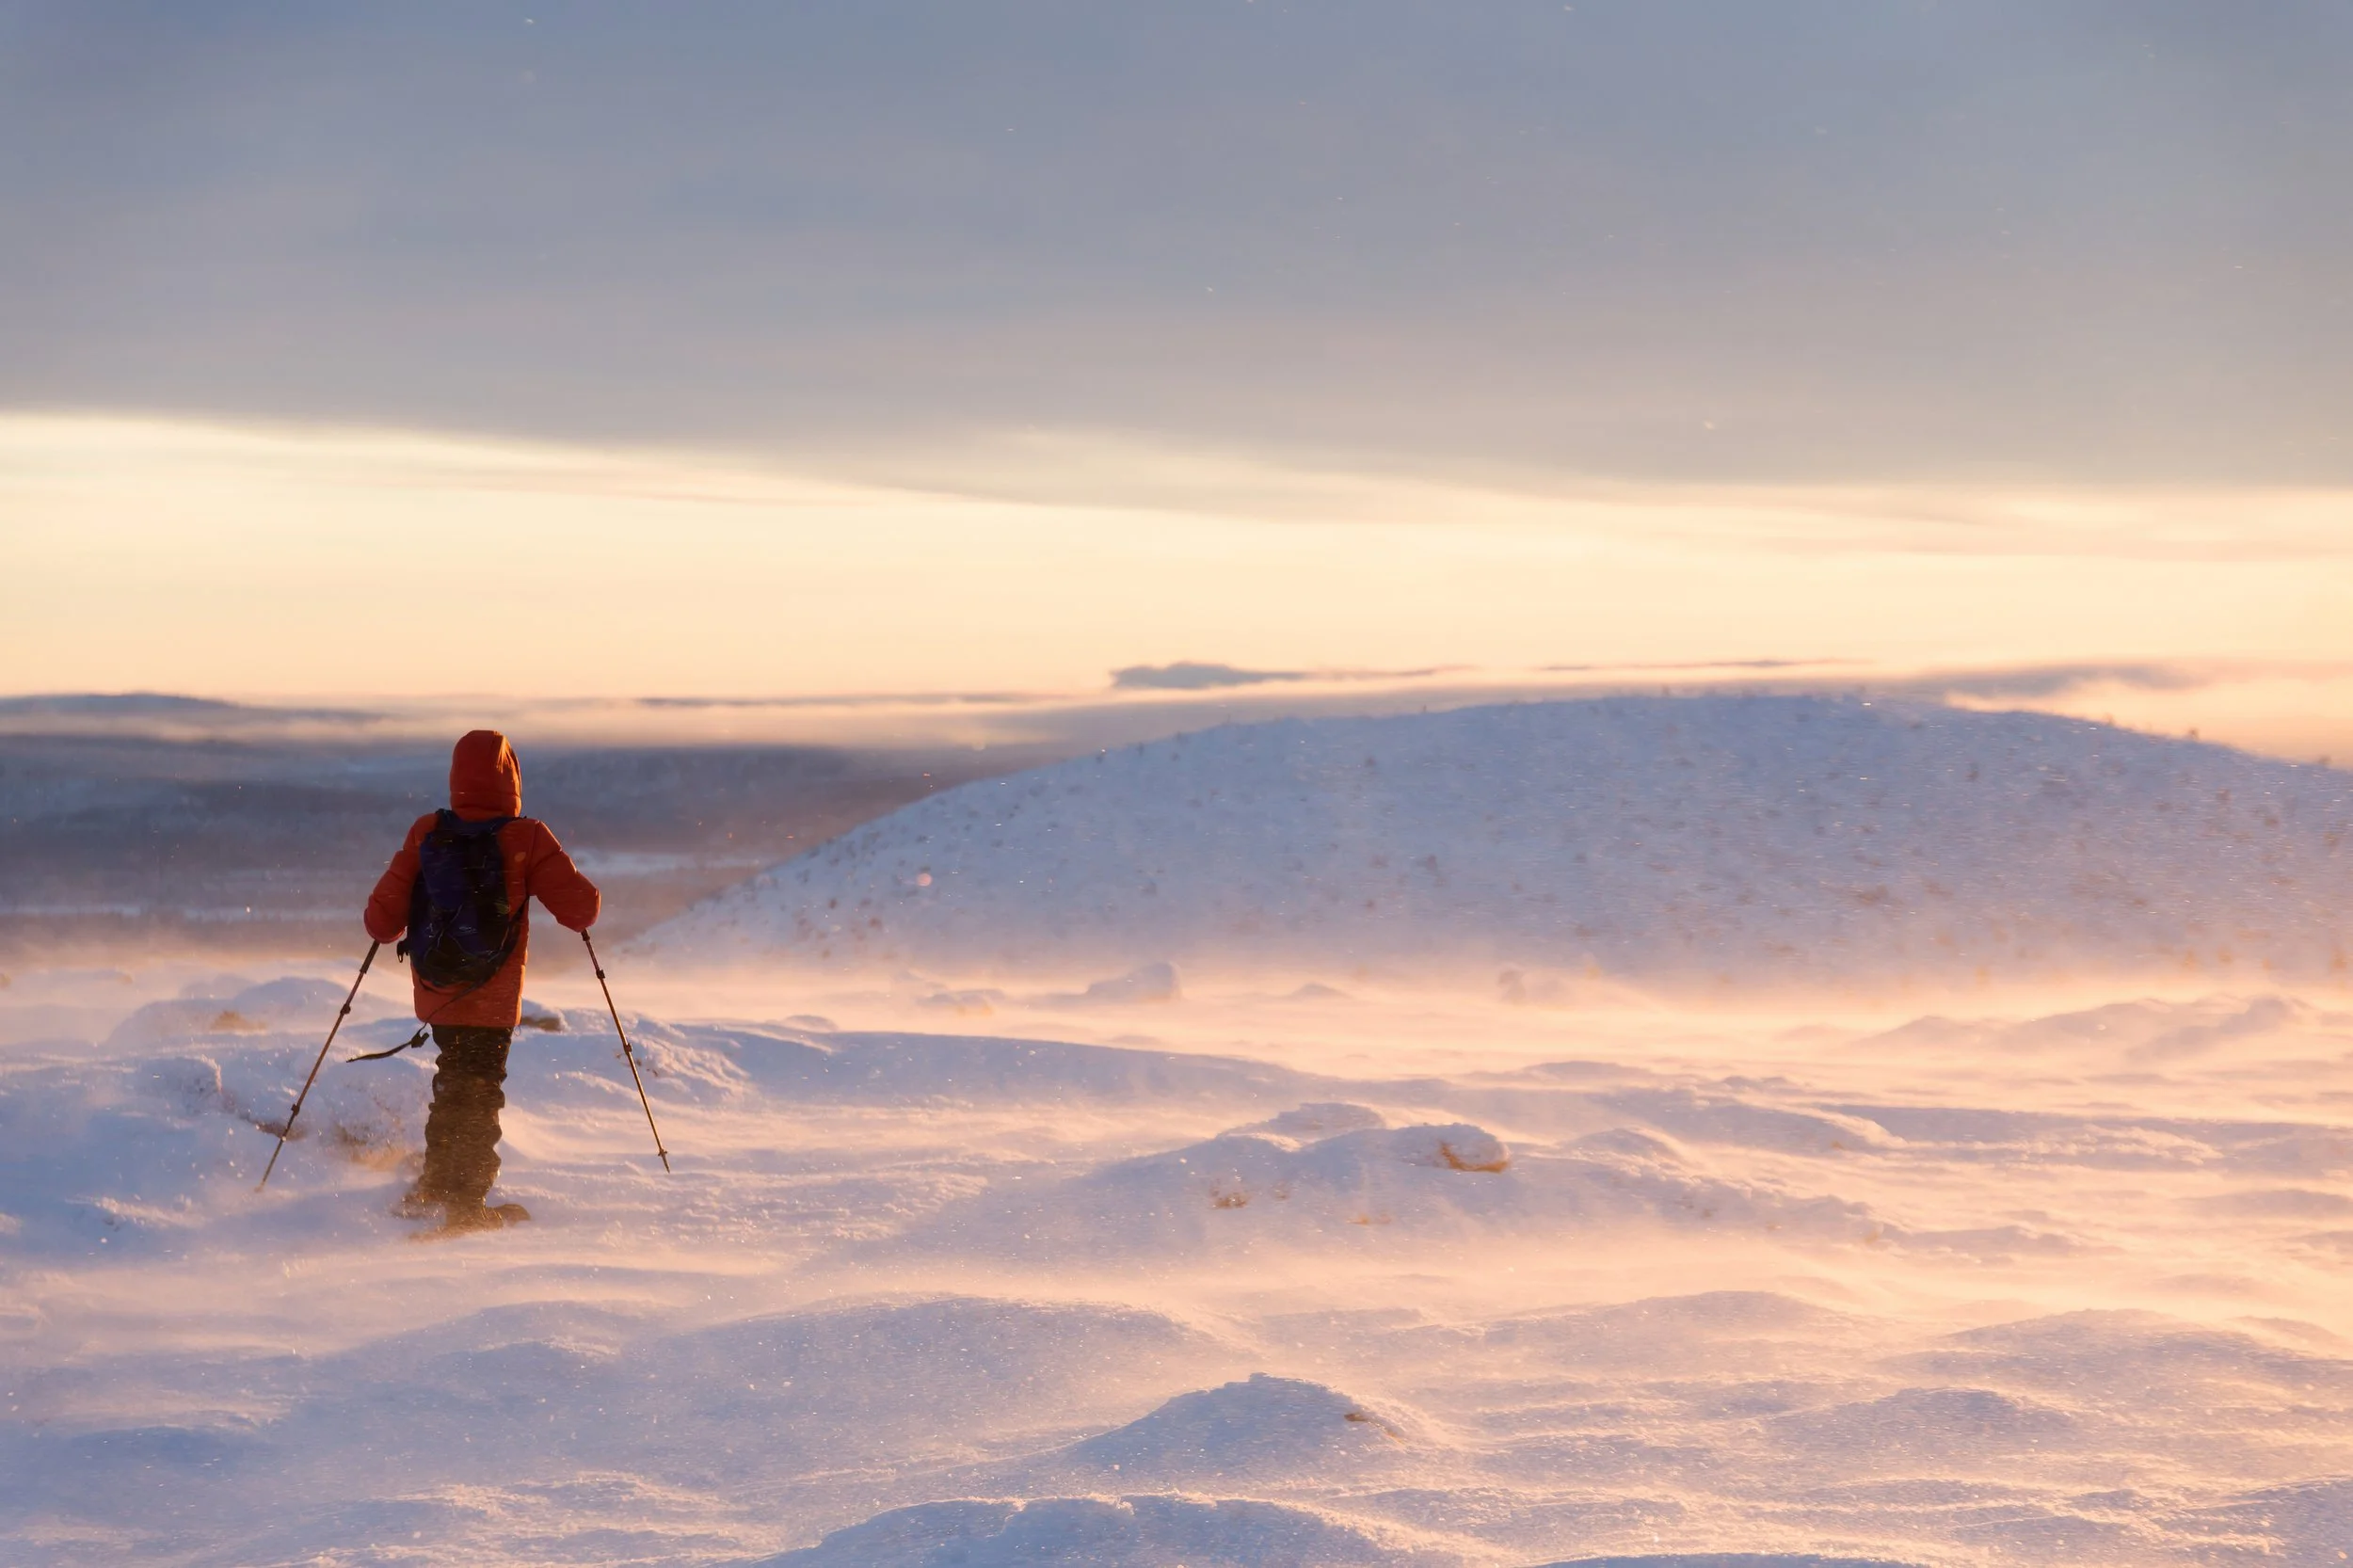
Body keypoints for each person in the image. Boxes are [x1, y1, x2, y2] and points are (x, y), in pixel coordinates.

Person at [365, 730, 600, 1229]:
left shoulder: (427, 829)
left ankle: (437, 1187)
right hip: (491, 998)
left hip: (439, 994)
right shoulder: (527, 837)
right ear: (511, 780)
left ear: (456, 778)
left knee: (455, 1081)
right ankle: (465, 1206)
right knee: (477, 1090)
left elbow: (381, 922)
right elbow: (583, 909)